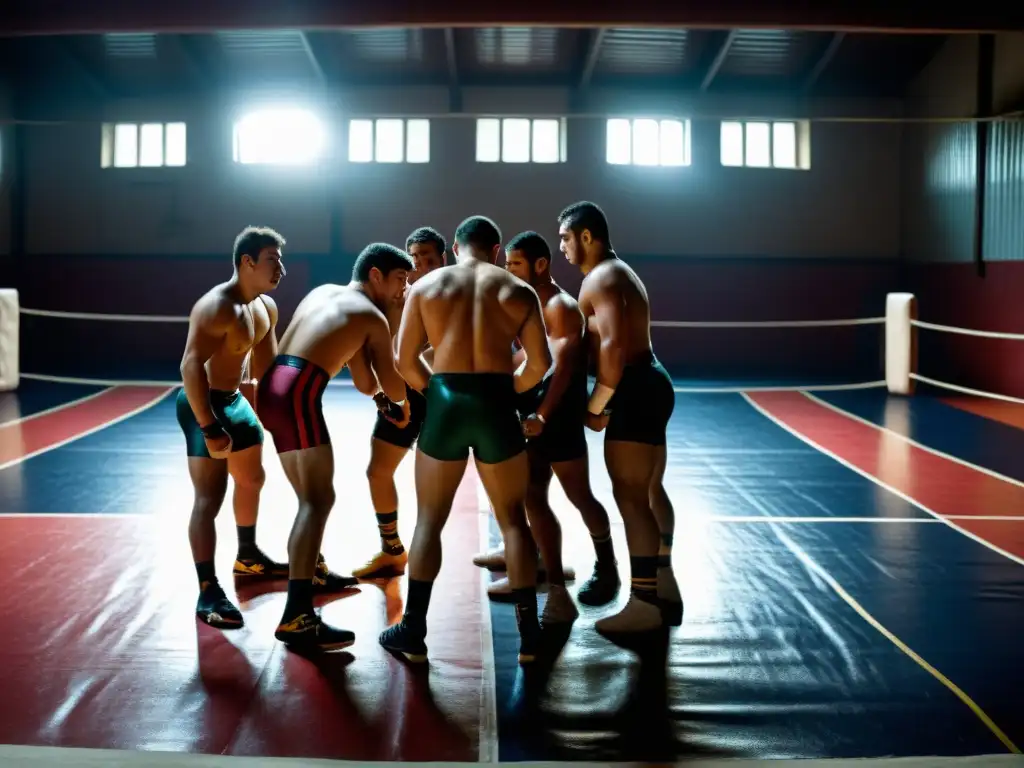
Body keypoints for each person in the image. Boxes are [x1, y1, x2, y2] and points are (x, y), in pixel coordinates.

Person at [378, 215, 551, 665]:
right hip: (496, 403)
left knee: (430, 519)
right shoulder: (518, 290)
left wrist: (437, 391)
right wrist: (503, 392)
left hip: (446, 403)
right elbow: (539, 363)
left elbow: (404, 360)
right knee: (514, 520)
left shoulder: (426, 287)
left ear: (455, 249)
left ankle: (413, 628)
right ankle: (530, 636)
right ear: (496, 251)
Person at [258, 243, 414, 651]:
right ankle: (297, 616)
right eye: (401, 280)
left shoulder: (324, 292)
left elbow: (366, 382)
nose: (404, 290)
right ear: (376, 275)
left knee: (310, 498)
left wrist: (382, 402)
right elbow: (396, 383)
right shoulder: (374, 316)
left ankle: (312, 571)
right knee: (318, 500)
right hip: (298, 394)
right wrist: (395, 322)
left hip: (273, 387)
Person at [474, 231, 620, 621]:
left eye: (516, 265)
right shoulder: (528, 302)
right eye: (507, 266)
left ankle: (607, 565)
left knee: (580, 496)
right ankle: (554, 586)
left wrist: (542, 415)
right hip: (533, 418)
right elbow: (526, 356)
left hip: (557, 420)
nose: (509, 272)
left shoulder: (561, 306)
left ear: (541, 265)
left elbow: (563, 366)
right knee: (533, 498)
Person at [557, 201, 682, 636]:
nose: (563, 247)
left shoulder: (601, 279)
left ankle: (644, 602)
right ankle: (663, 583)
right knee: (648, 489)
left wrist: (596, 408)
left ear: (587, 236)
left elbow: (610, 348)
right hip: (650, 381)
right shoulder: (622, 273)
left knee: (630, 497)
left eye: (566, 237)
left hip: (632, 386)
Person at [177, 226, 291, 629]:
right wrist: (208, 426)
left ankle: (248, 556)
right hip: (202, 402)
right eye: (273, 261)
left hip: (234, 401)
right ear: (247, 262)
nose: (281, 269)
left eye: (281, 260)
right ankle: (207, 589)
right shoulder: (216, 307)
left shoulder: (265, 308)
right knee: (210, 496)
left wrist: (282, 413)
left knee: (252, 478)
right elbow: (190, 365)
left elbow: (267, 370)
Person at [353, 227, 447, 580]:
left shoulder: (450, 296)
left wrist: (408, 361)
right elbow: (385, 350)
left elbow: (447, 349)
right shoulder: (397, 298)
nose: (421, 266)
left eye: (429, 259)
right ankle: (392, 549)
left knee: (436, 484)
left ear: (443, 259)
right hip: (405, 394)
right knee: (378, 471)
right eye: (416, 260)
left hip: (440, 396)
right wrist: (384, 390)